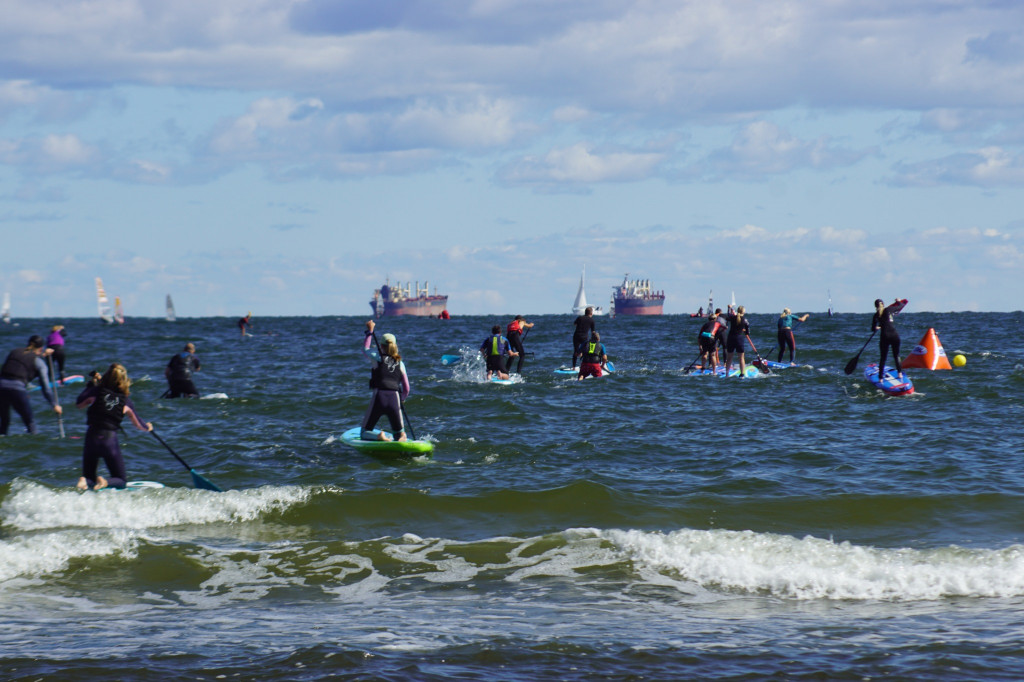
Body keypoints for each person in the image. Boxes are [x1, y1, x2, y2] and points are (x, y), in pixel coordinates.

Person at [74, 363, 152, 490]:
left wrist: (91, 386)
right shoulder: (126, 401)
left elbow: (79, 403)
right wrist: (148, 427)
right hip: (109, 441)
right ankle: (105, 482)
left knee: (89, 477)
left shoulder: (96, 391)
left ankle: (84, 481)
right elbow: (138, 424)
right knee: (121, 480)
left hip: (91, 437)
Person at [0, 335, 62, 435]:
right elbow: (45, 387)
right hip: (17, 389)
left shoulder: (14, 352)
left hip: (1, 387)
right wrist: (54, 405)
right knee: (30, 422)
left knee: (4, 422)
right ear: (41, 348)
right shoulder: (39, 362)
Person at [361, 320, 410, 441]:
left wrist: (370, 332)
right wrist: (402, 400)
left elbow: (365, 349)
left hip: (379, 397)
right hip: (395, 398)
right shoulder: (401, 363)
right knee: (399, 433)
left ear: (381, 346)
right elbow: (407, 388)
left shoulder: (377, 358)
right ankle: (401, 436)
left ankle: (379, 436)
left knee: (364, 433)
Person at [872, 298, 903, 379]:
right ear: (883, 304)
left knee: (883, 358)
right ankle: (900, 374)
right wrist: (898, 301)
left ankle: (880, 379)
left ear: (875, 306)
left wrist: (877, 327)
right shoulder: (888, 310)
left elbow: (873, 328)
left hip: (885, 337)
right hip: (895, 336)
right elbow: (901, 306)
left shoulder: (876, 315)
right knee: (896, 356)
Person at [724, 305, 750, 377]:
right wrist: (745, 331)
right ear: (743, 312)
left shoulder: (733, 318)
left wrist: (729, 308)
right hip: (739, 339)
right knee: (741, 358)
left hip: (731, 338)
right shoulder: (745, 320)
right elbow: (748, 331)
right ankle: (742, 374)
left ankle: (727, 374)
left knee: (729, 357)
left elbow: (727, 316)